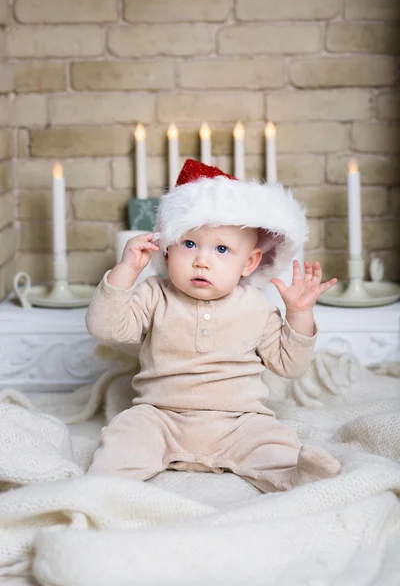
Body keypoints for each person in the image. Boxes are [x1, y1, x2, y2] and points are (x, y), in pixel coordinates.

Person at [86, 159, 341, 492]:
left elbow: (290, 365)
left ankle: (297, 477)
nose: (201, 260)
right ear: (167, 247)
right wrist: (126, 271)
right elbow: (105, 327)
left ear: (249, 263)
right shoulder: (153, 294)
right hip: (161, 416)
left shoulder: (255, 306)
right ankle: (103, 486)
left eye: (222, 249)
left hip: (238, 421)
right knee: (125, 437)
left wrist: (298, 313)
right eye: (189, 244)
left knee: (273, 443)